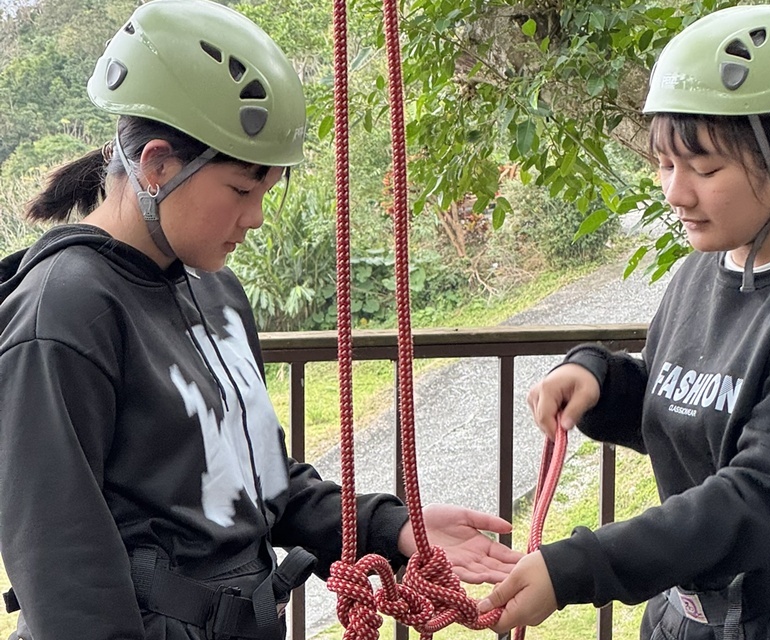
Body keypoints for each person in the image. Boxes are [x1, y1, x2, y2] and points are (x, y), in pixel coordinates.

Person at [0, 1, 520, 639]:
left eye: (268, 192)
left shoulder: (214, 290)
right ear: (156, 165)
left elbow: (258, 482)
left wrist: (395, 528)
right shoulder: (65, 310)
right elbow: (64, 573)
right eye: (243, 191)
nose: (256, 218)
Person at [478, 5, 770, 640]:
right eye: (665, 165)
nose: (675, 192)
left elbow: (759, 495)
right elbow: (694, 407)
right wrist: (599, 381)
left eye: (704, 168)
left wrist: (579, 567)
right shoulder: (710, 267)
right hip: (695, 616)